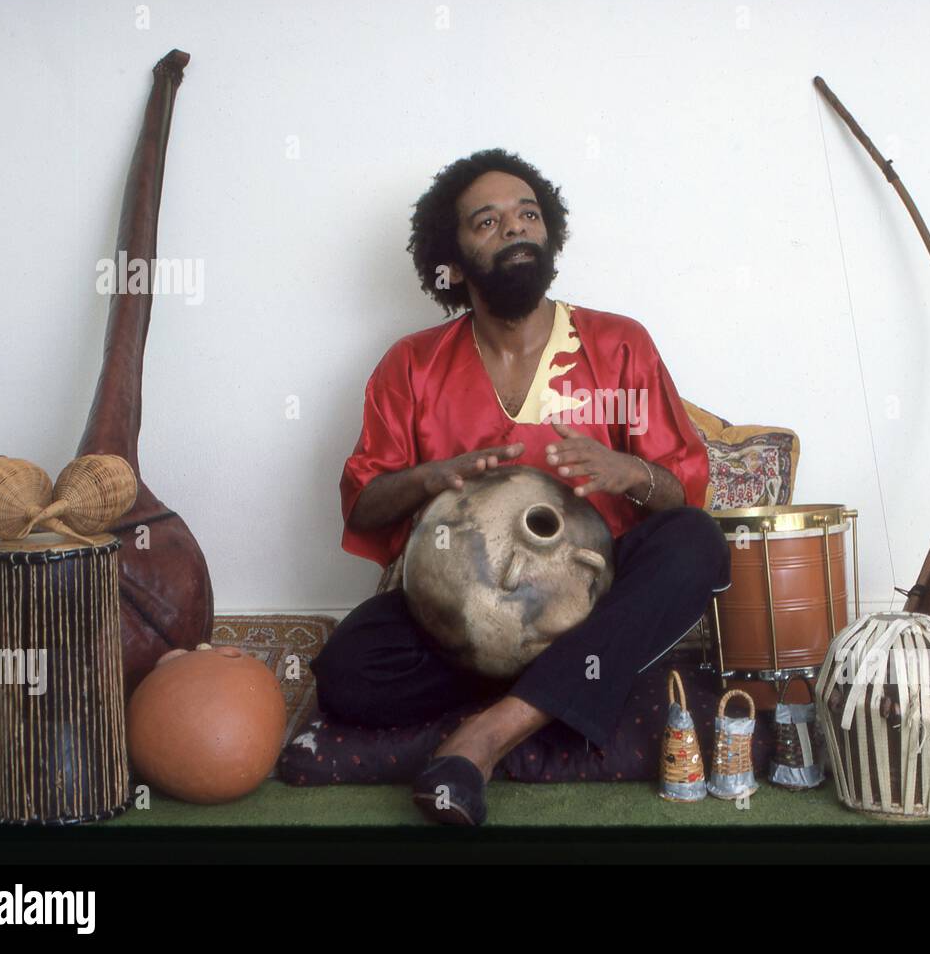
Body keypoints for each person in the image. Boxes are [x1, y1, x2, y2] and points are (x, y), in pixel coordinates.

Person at [311, 148, 730, 825]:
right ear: (452, 259)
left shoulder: (620, 345)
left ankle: (484, 737)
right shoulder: (411, 366)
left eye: (528, 214)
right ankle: (564, 694)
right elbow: (363, 502)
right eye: (486, 220)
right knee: (350, 672)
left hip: (592, 607)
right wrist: (430, 477)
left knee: (695, 543)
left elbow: (683, 495)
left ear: (549, 236)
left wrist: (632, 473)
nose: (513, 228)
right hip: (466, 622)